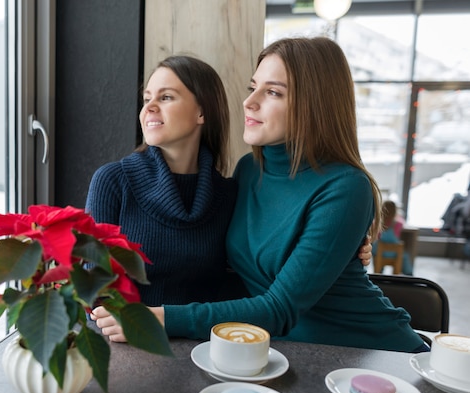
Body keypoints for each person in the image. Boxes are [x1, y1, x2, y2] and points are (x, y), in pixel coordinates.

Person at [92, 38, 427, 353]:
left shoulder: (346, 187)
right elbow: (232, 271)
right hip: (283, 350)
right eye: (253, 88)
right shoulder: (249, 172)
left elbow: (279, 306)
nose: (249, 101)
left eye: (273, 92)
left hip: (368, 351)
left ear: (314, 105)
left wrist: (160, 319)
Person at [86, 55, 372, 307]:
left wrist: (345, 249)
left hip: (206, 342)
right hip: (129, 338)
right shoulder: (113, 182)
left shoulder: (228, 191)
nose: (148, 108)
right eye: (147, 98)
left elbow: (245, 274)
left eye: (166, 97)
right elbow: (89, 286)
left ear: (202, 112)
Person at [373, 200, 413, 275]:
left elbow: (376, 237)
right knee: (405, 256)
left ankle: (378, 272)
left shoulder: (377, 222)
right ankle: (409, 274)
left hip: (379, 251)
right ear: (395, 211)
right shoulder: (398, 224)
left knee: (374, 250)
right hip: (394, 253)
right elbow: (402, 222)